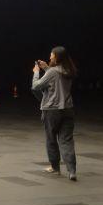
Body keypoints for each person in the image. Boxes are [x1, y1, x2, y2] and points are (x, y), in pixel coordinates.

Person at [31, 46, 78, 181]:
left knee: (51, 139)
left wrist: (36, 72)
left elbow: (36, 86)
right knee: (66, 140)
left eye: (51, 55)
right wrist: (46, 68)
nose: (50, 57)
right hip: (68, 109)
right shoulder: (69, 71)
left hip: (52, 110)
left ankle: (55, 167)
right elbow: (56, 78)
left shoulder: (52, 72)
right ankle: (72, 170)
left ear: (57, 57)